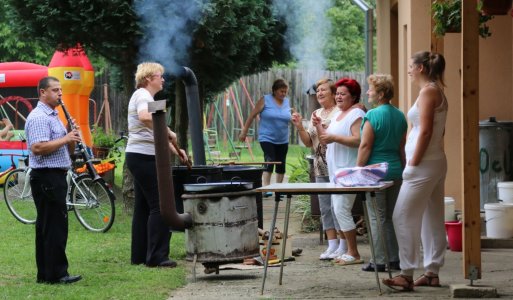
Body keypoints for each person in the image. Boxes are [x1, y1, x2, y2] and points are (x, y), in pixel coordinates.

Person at [382, 51, 448, 291]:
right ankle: (431, 273)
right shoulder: (433, 90)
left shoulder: (429, 91)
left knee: (401, 216)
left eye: (411, 66)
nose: (408, 70)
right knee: (431, 219)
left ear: (421, 68)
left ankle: (406, 273)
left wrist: (413, 163)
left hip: (423, 165)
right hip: (434, 162)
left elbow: (427, 131)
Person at [125, 62, 188, 268]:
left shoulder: (148, 98)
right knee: (161, 206)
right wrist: (169, 132)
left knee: (143, 207)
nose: (163, 79)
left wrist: (175, 149)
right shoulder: (143, 95)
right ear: (148, 78)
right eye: (160, 76)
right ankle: (157, 257)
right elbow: (145, 117)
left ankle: (139, 255)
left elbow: (155, 131)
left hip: (139, 155)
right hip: (144, 158)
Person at [25, 76, 83, 284]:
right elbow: (37, 148)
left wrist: (69, 135)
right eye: (55, 90)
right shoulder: (40, 116)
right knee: (54, 226)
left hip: (55, 174)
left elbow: (66, 149)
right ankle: (57, 274)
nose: (60, 94)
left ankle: (46, 274)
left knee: (48, 225)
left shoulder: (54, 115)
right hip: (46, 176)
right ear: (42, 92)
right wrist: (66, 138)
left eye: (60, 90)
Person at [356, 74, 407, 272]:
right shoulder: (400, 115)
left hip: (374, 174)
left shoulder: (373, 116)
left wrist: (357, 171)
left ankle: (378, 260)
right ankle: (394, 259)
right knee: (391, 217)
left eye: (371, 89)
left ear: (381, 93)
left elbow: (365, 146)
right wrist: (402, 169)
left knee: (377, 217)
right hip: (395, 171)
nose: (368, 92)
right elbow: (402, 148)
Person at [291, 78, 346, 260]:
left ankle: (343, 245)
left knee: (337, 206)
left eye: (323, 90)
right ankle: (332, 245)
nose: (319, 93)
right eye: (318, 90)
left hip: (337, 166)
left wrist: (319, 125)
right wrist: (300, 126)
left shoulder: (340, 113)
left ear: (333, 92)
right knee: (325, 206)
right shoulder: (316, 112)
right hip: (319, 166)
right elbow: (309, 142)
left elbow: (331, 136)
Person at [317, 78, 366, 265]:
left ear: (353, 96)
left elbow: (358, 140)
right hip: (335, 171)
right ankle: (349, 251)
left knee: (341, 209)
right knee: (338, 210)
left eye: (342, 93)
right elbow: (325, 139)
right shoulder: (339, 114)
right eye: (337, 93)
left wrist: (335, 137)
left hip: (349, 169)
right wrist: (318, 125)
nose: (338, 96)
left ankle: (353, 252)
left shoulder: (357, 113)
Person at [239, 79, 291, 196]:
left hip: (283, 138)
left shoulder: (287, 102)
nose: (284, 94)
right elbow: (252, 116)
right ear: (275, 91)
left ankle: (278, 189)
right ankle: (267, 188)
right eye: (281, 91)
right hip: (266, 137)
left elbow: (289, 117)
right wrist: (244, 131)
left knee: (281, 162)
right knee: (270, 159)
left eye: (285, 92)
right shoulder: (265, 100)